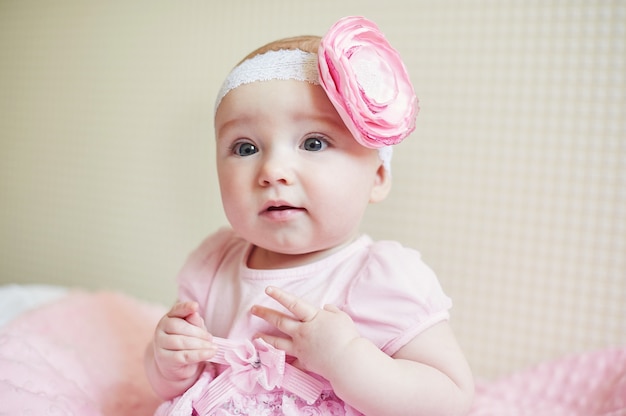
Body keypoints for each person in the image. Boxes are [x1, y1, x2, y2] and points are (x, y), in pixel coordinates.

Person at [145, 15, 474, 416]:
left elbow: (452, 399)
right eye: (246, 148)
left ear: (378, 176)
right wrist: (169, 361)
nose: (272, 171)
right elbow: (170, 383)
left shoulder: (379, 278)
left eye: (313, 142)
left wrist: (347, 359)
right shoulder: (215, 264)